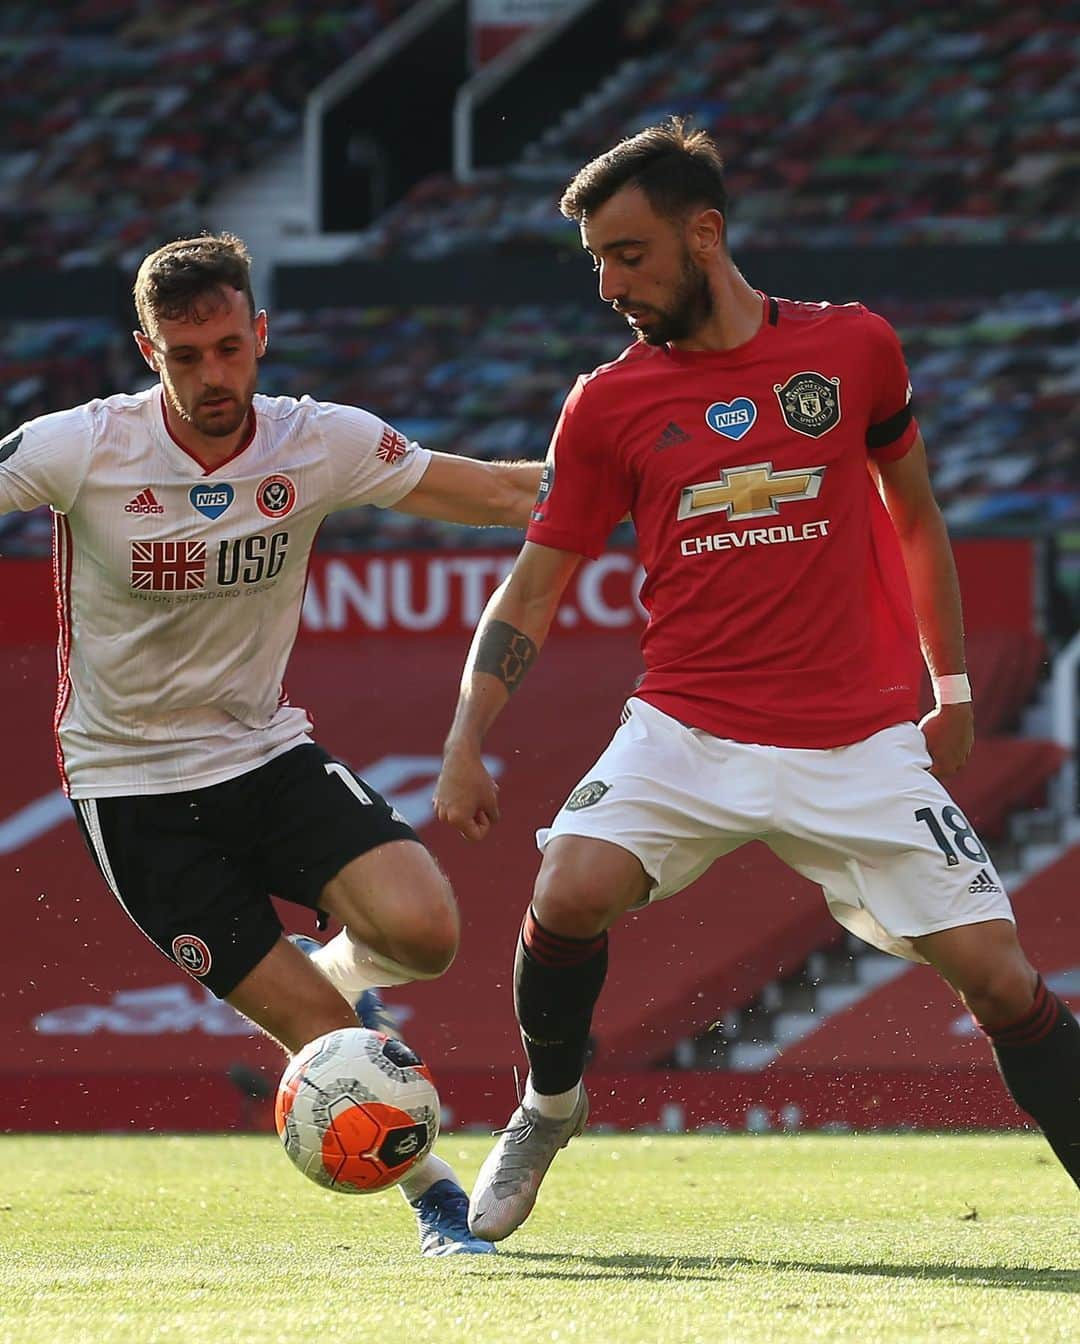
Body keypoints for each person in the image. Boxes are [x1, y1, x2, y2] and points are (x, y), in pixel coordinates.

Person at [434, 119, 1080, 1241]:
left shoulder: (855, 347)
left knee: (1003, 979)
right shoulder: (606, 404)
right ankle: (547, 1105)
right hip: (687, 727)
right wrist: (465, 732)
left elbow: (916, 517)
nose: (611, 284)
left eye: (629, 254)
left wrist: (956, 684)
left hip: (859, 742)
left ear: (706, 232)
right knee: (568, 889)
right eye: (597, 261)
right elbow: (532, 588)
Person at [0, 232, 545, 1257]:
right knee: (329, 1037)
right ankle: (436, 1199)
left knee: (428, 932)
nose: (213, 375)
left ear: (260, 335)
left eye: (227, 349)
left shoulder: (319, 441)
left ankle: (328, 962)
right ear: (146, 350)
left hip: (263, 750)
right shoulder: (82, 447)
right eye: (185, 355)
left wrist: (644, 467)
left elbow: (500, 495)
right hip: (131, 787)